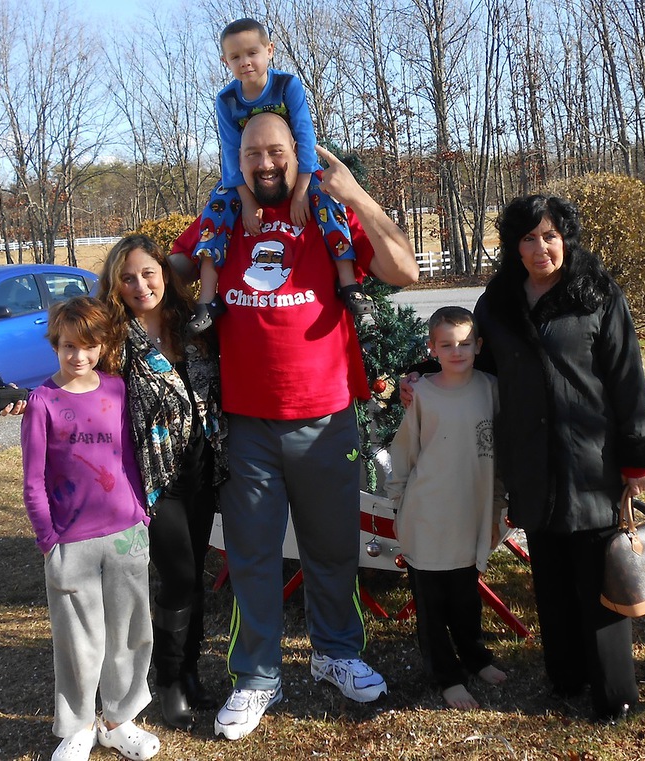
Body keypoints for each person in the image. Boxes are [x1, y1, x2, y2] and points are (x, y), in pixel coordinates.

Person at [182, 110, 417, 741]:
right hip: (247, 424)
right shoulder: (224, 218)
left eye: (276, 150)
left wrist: (353, 192)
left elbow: (405, 271)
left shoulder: (327, 216)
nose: (264, 163)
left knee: (332, 547)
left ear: (298, 152)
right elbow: (171, 274)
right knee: (253, 555)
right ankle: (257, 677)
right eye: (252, 152)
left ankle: (336, 652)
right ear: (239, 157)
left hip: (327, 416)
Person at [402, 194, 645, 722]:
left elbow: (627, 379)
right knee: (550, 578)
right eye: (527, 237)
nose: (540, 247)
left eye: (549, 235)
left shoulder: (597, 293)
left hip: (592, 461)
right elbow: (476, 366)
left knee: (599, 582)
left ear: (566, 237)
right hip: (529, 463)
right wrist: (418, 377)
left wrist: (637, 461)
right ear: (513, 245)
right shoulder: (497, 302)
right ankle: (565, 679)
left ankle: (615, 694)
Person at [97, 235, 229, 731]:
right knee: (176, 575)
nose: (140, 285)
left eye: (148, 273)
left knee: (195, 572)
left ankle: (190, 669)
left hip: (204, 468)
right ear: (116, 284)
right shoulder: (112, 337)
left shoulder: (192, 324)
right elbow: (80, 383)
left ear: (165, 273)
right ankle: (169, 679)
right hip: (154, 478)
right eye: (127, 277)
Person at [20, 296, 160, 761]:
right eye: (67, 346)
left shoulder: (117, 390)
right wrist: (48, 540)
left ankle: (119, 720)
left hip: (125, 534)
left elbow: (128, 456)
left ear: (102, 344)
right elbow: (33, 478)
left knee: (130, 632)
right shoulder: (42, 402)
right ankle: (78, 726)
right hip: (70, 541)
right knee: (78, 641)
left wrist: (140, 511)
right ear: (55, 347)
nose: (78, 356)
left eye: (88, 345)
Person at [188, 17, 373, 334]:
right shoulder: (227, 100)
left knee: (330, 202)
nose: (245, 62)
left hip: (300, 171)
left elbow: (304, 135)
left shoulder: (287, 85)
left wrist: (301, 191)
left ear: (269, 50)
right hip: (247, 177)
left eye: (252, 53)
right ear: (225, 61)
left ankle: (348, 284)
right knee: (214, 210)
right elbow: (231, 152)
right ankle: (208, 300)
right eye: (235, 57)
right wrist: (246, 201)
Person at [386, 306, 508, 711]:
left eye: (465, 343)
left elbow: (500, 459)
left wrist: (496, 510)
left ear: (479, 346)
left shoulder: (491, 389)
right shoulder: (421, 392)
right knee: (432, 603)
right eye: (447, 345)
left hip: (472, 511)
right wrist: (400, 501)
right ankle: (447, 675)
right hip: (428, 513)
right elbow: (404, 452)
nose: (457, 352)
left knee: (466, 596)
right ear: (432, 349)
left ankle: (475, 657)